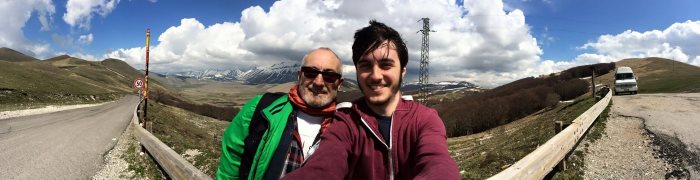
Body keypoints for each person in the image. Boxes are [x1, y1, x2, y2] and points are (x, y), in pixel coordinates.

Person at [283, 20, 459, 179]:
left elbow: (439, 164)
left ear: (403, 71)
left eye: (386, 65)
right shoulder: (346, 120)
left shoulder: (424, 119)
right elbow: (322, 168)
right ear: (357, 71)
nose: (375, 76)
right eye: (366, 65)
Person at [216, 47, 345, 179]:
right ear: (299, 76)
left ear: (339, 83)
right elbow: (231, 162)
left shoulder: (348, 127)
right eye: (311, 72)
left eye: (329, 76)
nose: (318, 82)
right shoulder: (260, 108)